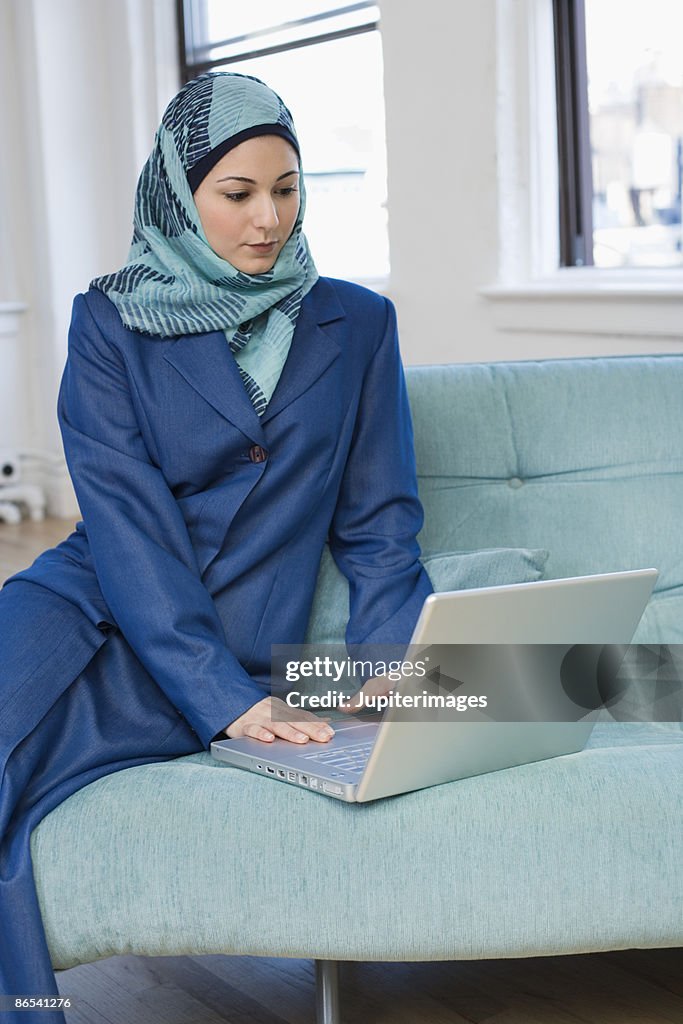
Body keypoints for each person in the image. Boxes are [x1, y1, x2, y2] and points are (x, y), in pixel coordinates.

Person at [0, 72, 433, 1022]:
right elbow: (130, 530)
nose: (267, 218)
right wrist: (225, 700)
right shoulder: (109, 319)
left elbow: (378, 527)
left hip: (218, 650)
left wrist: (390, 675)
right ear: (178, 197)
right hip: (92, 602)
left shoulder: (357, 323)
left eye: (285, 189)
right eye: (236, 194)